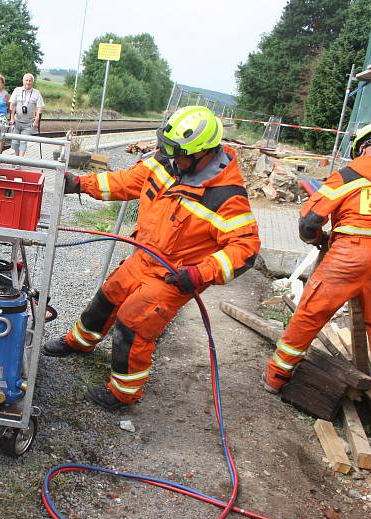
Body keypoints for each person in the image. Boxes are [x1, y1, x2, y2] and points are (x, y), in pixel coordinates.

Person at [43, 106, 260, 411]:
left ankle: (123, 393)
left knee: (132, 322)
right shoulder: (168, 163)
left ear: (204, 153)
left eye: (179, 154)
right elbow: (123, 181)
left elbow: (245, 249)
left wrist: (200, 274)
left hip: (175, 277)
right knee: (109, 295)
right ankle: (80, 342)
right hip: (144, 257)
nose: (172, 159)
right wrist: (81, 184)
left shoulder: (226, 197)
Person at [263, 123, 371, 396]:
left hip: (349, 256)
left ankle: (275, 377)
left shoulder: (350, 174)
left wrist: (317, 239)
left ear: (362, 147)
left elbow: (310, 221)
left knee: (310, 314)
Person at [8, 73, 44, 157]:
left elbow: (39, 108)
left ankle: (20, 160)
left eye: (30, 81)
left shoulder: (36, 93)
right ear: (23, 81)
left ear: (33, 82)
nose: (28, 82)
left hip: (28, 123)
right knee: (15, 141)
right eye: (26, 80)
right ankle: (17, 158)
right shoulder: (17, 90)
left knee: (23, 141)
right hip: (17, 121)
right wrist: (12, 118)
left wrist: (36, 120)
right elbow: (12, 105)